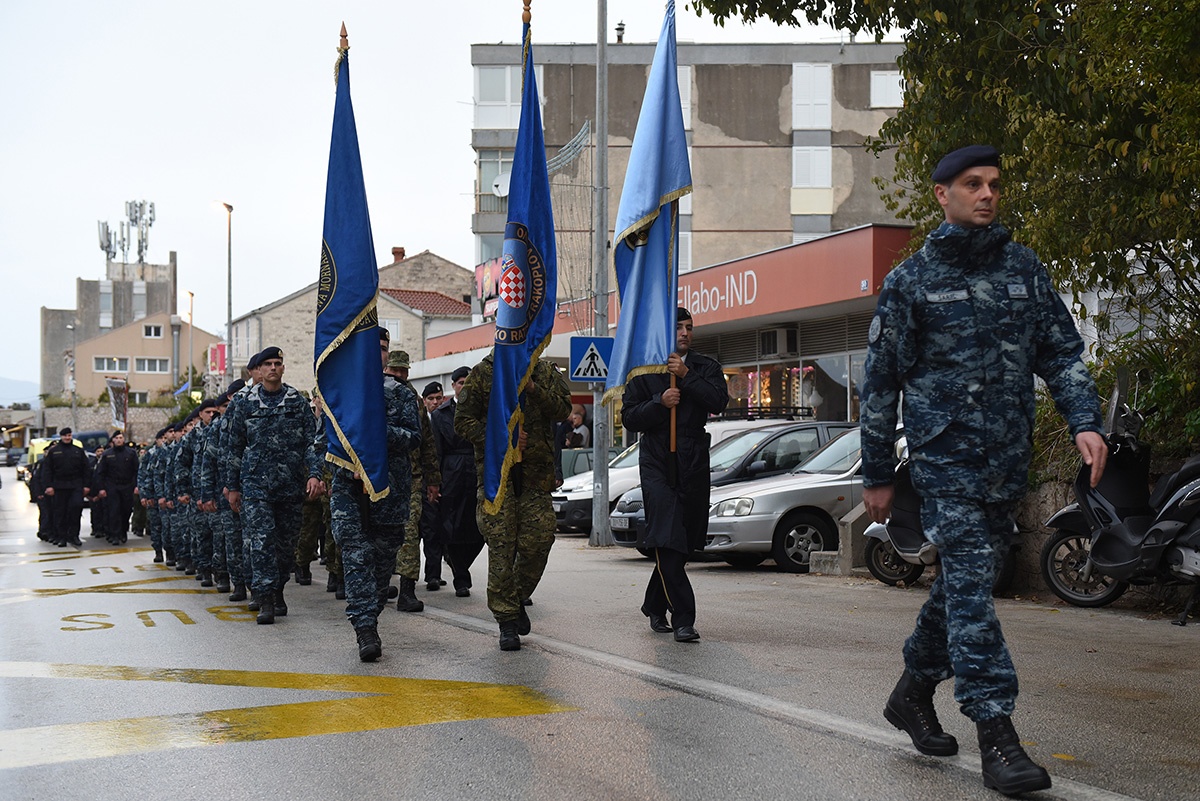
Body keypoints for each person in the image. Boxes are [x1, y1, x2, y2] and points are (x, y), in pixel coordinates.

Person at [860, 144, 1108, 797]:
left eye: (994, 183)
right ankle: (997, 733)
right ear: (941, 194)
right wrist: (877, 469)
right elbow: (880, 384)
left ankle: (912, 691)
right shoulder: (911, 281)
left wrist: (1084, 420)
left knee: (961, 588)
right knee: (972, 585)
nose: (987, 194)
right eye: (973, 183)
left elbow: (1061, 352)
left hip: (1006, 461)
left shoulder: (1023, 269)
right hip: (946, 464)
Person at [621, 307, 729, 643]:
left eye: (689, 327)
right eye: (678, 327)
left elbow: (718, 401)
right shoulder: (643, 371)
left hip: (693, 456)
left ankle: (654, 603)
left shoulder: (706, 367)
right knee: (666, 535)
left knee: (686, 540)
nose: (685, 333)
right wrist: (659, 402)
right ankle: (684, 617)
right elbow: (629, 417)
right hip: (657, 457)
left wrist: (685, 375)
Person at [455, 353, 571, 651]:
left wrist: (533, 388)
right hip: (498, 476)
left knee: (540, 540)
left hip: (535, 476)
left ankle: (515, 598)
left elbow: (563, 409)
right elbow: (463, 422)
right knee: (502, 546)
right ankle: (506, 620)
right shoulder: (484, 372)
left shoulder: (544, 372)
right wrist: (502, 438)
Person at [323, 328, 420, 661]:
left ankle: (370, 614)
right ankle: (365, 629)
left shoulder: (401, 394)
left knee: (381, 564)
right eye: (371, 346)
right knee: (356, 556)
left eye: (382, 348)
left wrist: (379, 431)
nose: (378, 353)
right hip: (348, 491)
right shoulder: (339, 392)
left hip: (388, 491)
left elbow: (413, 437)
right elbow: (323, 441)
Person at [224, 346, 325, 624]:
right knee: (261, 543)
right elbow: (234, 447)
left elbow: (311, 443)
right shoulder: (245, 402)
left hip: (290, 486)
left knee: (285, 544)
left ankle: (278, 588)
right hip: (256, 487)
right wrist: (232, 486)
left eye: (277, 363)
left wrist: (315, 474)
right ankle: (265, 598)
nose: (272, 368)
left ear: (283, 368)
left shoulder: (296, 401)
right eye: (267, 364)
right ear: (259, 370)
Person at [384, 350, 443, 612]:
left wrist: (433, 480)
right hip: (380, 478)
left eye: (402, 370)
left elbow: (427, 442)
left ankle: (407, 590)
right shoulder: (375, 393)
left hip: (412, 477)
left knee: (409, 534)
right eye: (394, 370)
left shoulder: (415, 400)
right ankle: (381, 583)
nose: (398, 375)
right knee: (382, 535)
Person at [432, 368, 484, 599]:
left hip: (477, 469)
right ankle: (461, 576)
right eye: (461, 382)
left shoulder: (482, 409)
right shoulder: (441, 414)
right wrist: (435, 480)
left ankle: (462, 565)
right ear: (453, 385)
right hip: (451, 472)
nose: (465, 386)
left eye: (469, 382)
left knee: (479, 527)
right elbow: (436, 450)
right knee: (450, 527)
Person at [40, 428, 93, 547]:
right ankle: (61, 537)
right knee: (60, 513)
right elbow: (47, 470)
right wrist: (48, 486)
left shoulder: (78, 451)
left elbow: (86, 469)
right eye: (65, 436)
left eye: (69, 435)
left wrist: (86, 485)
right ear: (61, 437)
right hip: (59, 486)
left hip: (75, 486)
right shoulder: (54, 452)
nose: (67, 438)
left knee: (75, 510)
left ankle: (74, 536)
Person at [94, 430, 140, 545]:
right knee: (114, 511)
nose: (119, 440)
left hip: (127, 486)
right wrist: (101, 488)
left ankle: (123, 531)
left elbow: (137, 471)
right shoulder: (107, 454)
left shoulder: (131, 453)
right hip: (112, 486)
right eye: (116, 438)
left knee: (126, 510)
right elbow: (101, 473)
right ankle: (115, 535)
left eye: (121, 438)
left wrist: (136, 485)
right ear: (113, 440)